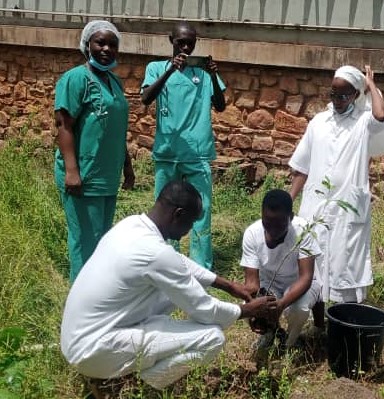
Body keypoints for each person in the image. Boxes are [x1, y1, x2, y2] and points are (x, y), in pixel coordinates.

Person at [61, 180, 277, 391]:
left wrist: (229, 285)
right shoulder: (155, 253)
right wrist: (248, 310)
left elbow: (177, 262)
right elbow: (206, 310)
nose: (190, 230)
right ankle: (138, 387)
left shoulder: (132, 225)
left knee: (187, 288)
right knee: (212, 338)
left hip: (80, 337)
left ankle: (121, 370)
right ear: (178, 215)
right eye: (191, 222)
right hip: (92, 351)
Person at [289, 65, 384, 304]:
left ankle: (342, 317)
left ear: (356, 95)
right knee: (311, 260)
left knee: (344, 264)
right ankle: (316, 322)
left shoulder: (363, 122)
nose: (337, 100)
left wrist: (370, 85)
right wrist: (289, 199)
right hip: (315, 205)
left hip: (347, 207)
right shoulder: (319, 122)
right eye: (333, 94)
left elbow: (381, 116)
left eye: (344, 95)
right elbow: (302, 166)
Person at [141, 22, 226, 270]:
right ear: (171, 40)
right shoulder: (156, 68)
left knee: (201, 209)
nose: (187, 47)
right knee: (166, 210)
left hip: (197, 153)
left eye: (191, 42)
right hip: (168, 153)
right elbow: (146, 98)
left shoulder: (204, 72)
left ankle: (200, 267)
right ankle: (167, 262)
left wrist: (211, 75)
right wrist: (170, 71)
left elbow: (220, 106)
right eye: (181, 42)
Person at [55, 20, 134, 282]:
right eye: (100, 42)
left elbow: (115, 128)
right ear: (87, 45)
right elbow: (64, 125)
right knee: (84, 241)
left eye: (112, 44)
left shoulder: (114, 81)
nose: (106, 48)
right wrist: (71, 171)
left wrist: (127, 166)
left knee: (102, 240)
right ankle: (80, 300)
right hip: (84, 177)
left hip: (107, 175)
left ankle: (96, 294)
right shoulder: (76, 78)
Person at [241, 189, 322, 349]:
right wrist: (254, 309)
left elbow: (306, 278)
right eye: (267, 223)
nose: (272, 230)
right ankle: (270, 332)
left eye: (279, 225)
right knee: (246, 304)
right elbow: (251, 283)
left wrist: (282, 304)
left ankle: (289, 343)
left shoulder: (302, 230)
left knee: (298, 310)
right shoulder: (252, 234)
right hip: (270, 284)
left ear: (291, 218)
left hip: (299, 284)